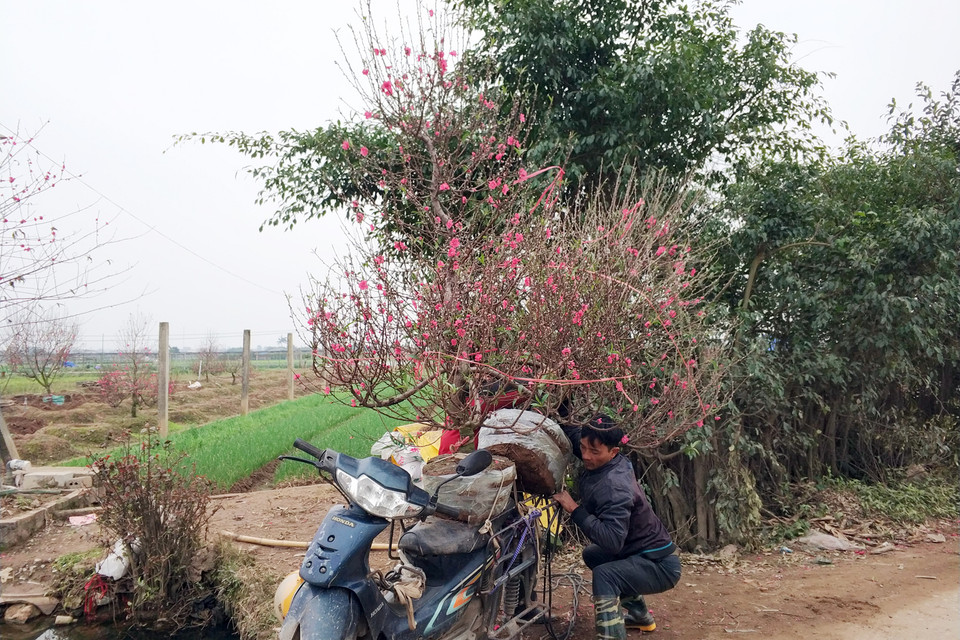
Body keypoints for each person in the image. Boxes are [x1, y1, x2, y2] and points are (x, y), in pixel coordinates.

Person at [553, 414, 680, 637]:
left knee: (605, 575)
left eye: (594, 452)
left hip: (659, 565)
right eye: (583, 448)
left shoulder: (615, 488)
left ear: (613, 452)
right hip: (637, 553)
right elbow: (570, 427)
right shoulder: (599, 453)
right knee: (593, 555)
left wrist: (574, 510)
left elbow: (612, 542)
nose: (586, 456)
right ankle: (641, 617)